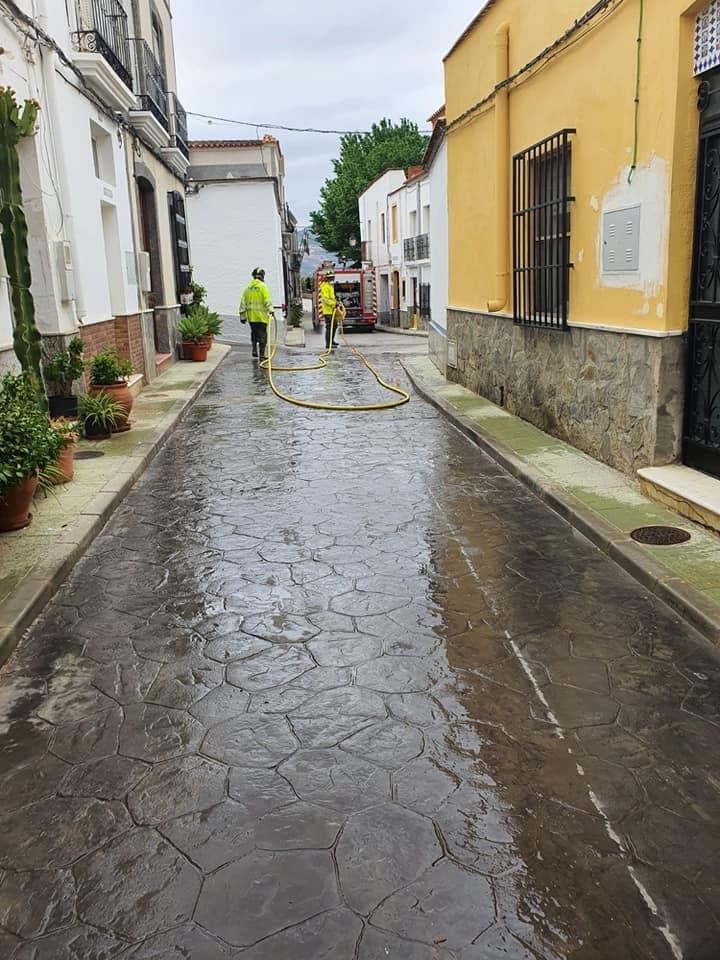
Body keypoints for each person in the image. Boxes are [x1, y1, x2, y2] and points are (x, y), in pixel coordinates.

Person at [239, 268, 274, 360]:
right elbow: (267, 300)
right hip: (261, 317)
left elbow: (243, 303)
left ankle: (254, 349)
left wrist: (243, 317)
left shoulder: (247, 288)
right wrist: (271, 310)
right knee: (263, 335)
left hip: (251, 317)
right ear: (262, 276)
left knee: (254, 333)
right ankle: (262, 355)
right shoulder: (263, 287)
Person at [319, 270, 339, 351]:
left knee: (334, 326)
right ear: (327, 278)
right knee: (329, 327)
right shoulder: (325, 286)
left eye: (333, 277)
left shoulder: (330, 286)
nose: (332, 279)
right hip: (328, 311)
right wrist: (333, 304)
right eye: (331, 278)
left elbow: (331, 298)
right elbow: (325, 299)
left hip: (332, 310)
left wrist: (336, 301)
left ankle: (332, 341)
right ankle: (328, 344)